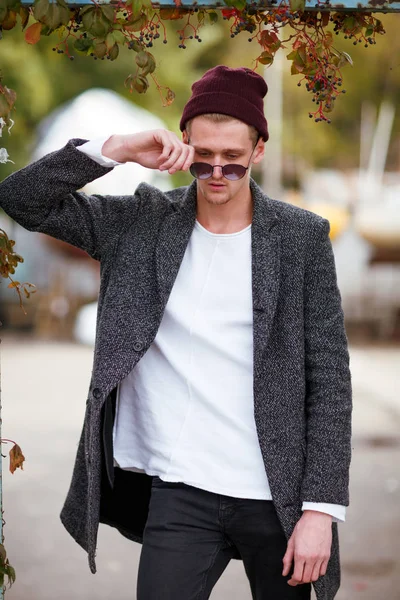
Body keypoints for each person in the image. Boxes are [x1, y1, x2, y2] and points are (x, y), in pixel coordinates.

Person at [0, 65, 352, 600]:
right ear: (184, 146)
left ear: (258, 151)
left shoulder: (300, 238)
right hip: (181, 490)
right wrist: (114, 148)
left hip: (276, 494)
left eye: (233, 161)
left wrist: (320, 511)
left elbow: (329, 378)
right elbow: (21, 199)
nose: (217, 173)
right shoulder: (142, 221)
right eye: (203, 157)